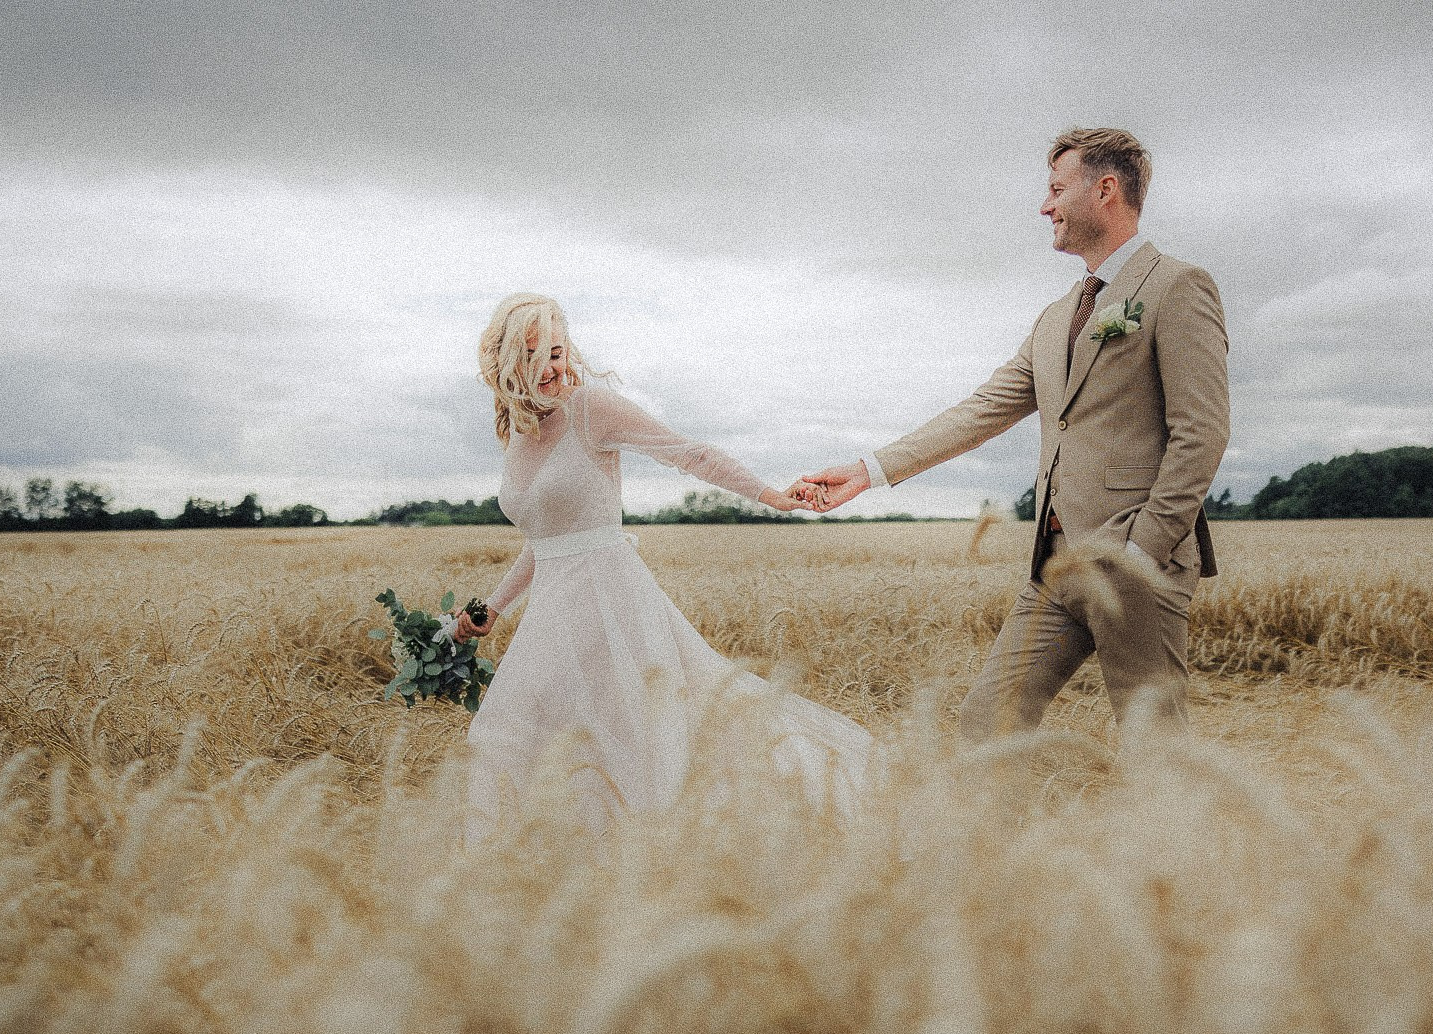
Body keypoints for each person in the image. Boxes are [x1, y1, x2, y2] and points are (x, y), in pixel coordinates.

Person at [795, 127, 1229, 742]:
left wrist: (1140, 550)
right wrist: (869, 470)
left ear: (1105, 191)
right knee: (987, 721)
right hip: (1055, 567)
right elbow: (983, 409)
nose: (1044, 206)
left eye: (1056, 189)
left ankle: (1173, 841)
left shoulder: (1176, 288)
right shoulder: (1056, 318)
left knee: (1152, 742)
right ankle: (1001, 842)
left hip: (1136, 564)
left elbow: (1202, 432)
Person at [457, 293, 872, 837]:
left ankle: (672, 852)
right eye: (534, 356)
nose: (551, 369)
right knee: (520, 730)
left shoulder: (591, 409)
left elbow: (689, 453)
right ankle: (548, 872)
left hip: (612, 603)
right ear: (508, 364)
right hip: (553, 618)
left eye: (557, 352)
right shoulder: (519, 435)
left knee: (641, 731)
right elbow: (546, 541)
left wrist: (773, 495)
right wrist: (492, 606)